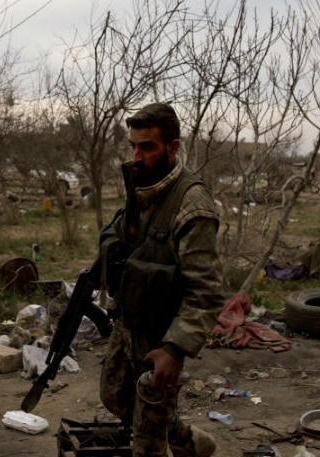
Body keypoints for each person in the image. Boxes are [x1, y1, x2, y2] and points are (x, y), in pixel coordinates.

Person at [99, 102, 224, 457]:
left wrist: (175, 349)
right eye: (133, 146)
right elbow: (123, 238)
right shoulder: (142, 186)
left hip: (163, 333)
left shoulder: (192, 206)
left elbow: (206, 292)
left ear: (173, 147)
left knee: (148, 431)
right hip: (131, 322)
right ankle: (190, 443)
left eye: (148, 146)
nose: (137, 155)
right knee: (117, 398)